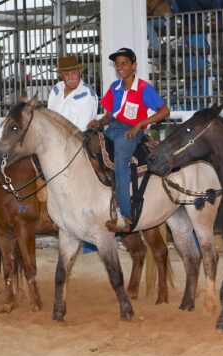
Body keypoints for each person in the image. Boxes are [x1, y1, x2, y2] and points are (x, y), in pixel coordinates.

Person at [88, 48, 170, 232]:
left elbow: (165, 111)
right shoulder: (114, 88)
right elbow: (109, 116)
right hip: (114, 127)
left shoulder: (143, 88)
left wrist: (140, 124)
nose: (120, 67)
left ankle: (125, 215)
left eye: (124, 63)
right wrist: (98, 122)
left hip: (132, 130)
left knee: (120, 160)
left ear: (134, 66)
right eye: (117, 64)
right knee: (89, 146)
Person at [47, 54, 98, 131]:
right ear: (61, 76)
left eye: (74, 72)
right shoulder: (56, 89)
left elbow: (81, 130)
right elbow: (49, 117)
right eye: (66, 74)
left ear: (79, 72)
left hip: (75, 140)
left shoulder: (87, 94)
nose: (71, 78)